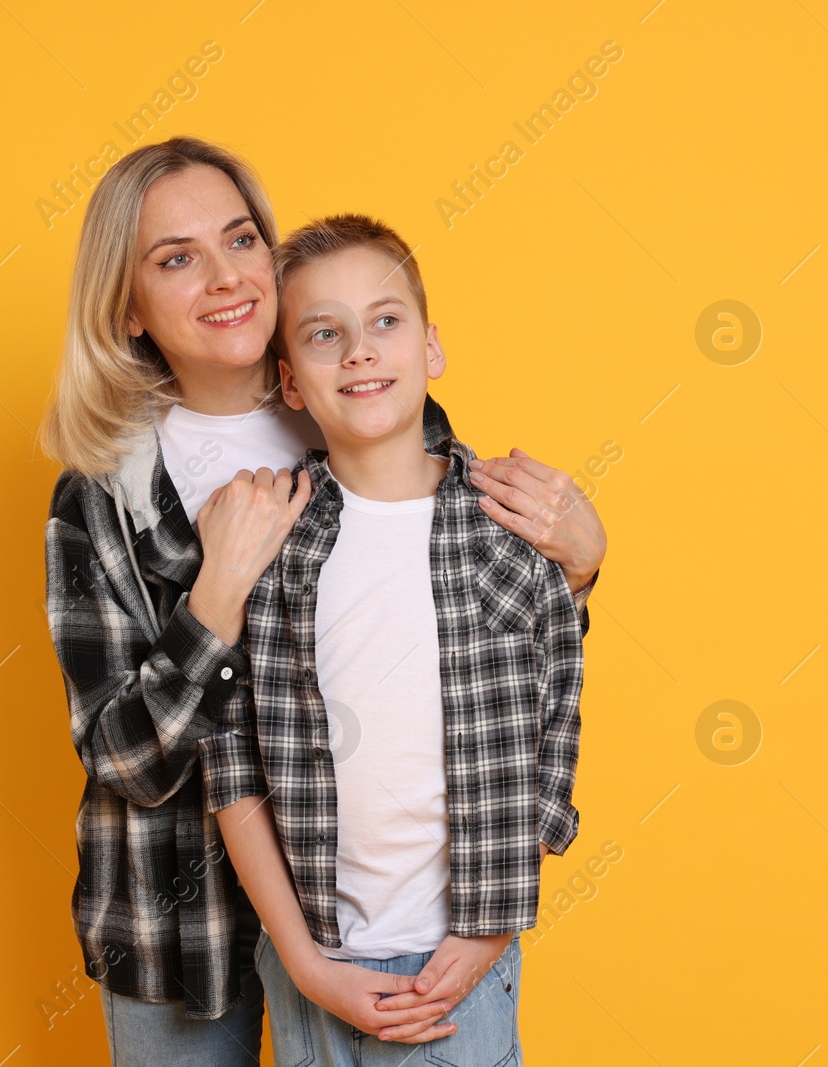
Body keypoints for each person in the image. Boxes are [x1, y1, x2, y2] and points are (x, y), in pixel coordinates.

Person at [39, 138, 607, 1064]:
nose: (224, 277)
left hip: (383, 917)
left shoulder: (366, 399)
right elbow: (127, 761)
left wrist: (580, 571)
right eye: (176, 259)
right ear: (128, 310)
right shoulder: (104, 492)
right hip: (178, 922)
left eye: (240, 239)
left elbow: (483, 651)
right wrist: (217, 592)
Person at [209, 214, 584, 1064]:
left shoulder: (506, 530)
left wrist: (494, 921)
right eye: (323, 334)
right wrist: (305, 961)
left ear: (432, 348)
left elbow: (553, 715)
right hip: (317, 964)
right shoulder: (270, 538)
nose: (360, 352)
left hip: (464, 960)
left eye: (386, 321)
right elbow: (228, 752)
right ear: (291, 382)